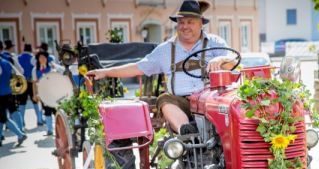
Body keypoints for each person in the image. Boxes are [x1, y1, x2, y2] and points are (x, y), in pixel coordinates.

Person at [86, 0, 236, 135]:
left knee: (230, 105)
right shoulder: (165, 49)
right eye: (181, 22)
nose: (185, 26)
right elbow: (138, 67)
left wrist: (221, 59)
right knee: (164, 99)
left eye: (190, 22)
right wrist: (105, 72)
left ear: (201, 23)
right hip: (180, 102)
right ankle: (186, 131)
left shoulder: (215, 43)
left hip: (210, 101)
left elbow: (234, 62)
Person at [0, 56, 28, 147]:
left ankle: (20, 134)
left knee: (2, 118)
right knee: (14, 111)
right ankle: (21, 130)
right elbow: (20, 73)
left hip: (1, 94)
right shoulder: (7, 61)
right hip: (9, 91)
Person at [18, 43, 44, 128]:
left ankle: (21, 122)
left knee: (22, 103)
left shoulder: (18, 57)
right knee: (35, 101)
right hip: (31, 82)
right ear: (30, 49)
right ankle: (39, 120)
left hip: (21, 83)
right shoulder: (32, 58)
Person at [32, 51, 58, 136]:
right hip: (43, 93)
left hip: (53, 92)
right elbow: (34, 83)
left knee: (56, 111)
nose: (42, 59)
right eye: (40, 58)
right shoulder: (35, 70)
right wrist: (35, 94)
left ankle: (59, 128)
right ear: (38, 59)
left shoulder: (52, 67)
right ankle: (49, 129)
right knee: (47, 111)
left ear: (47, 58)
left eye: (44, 57)